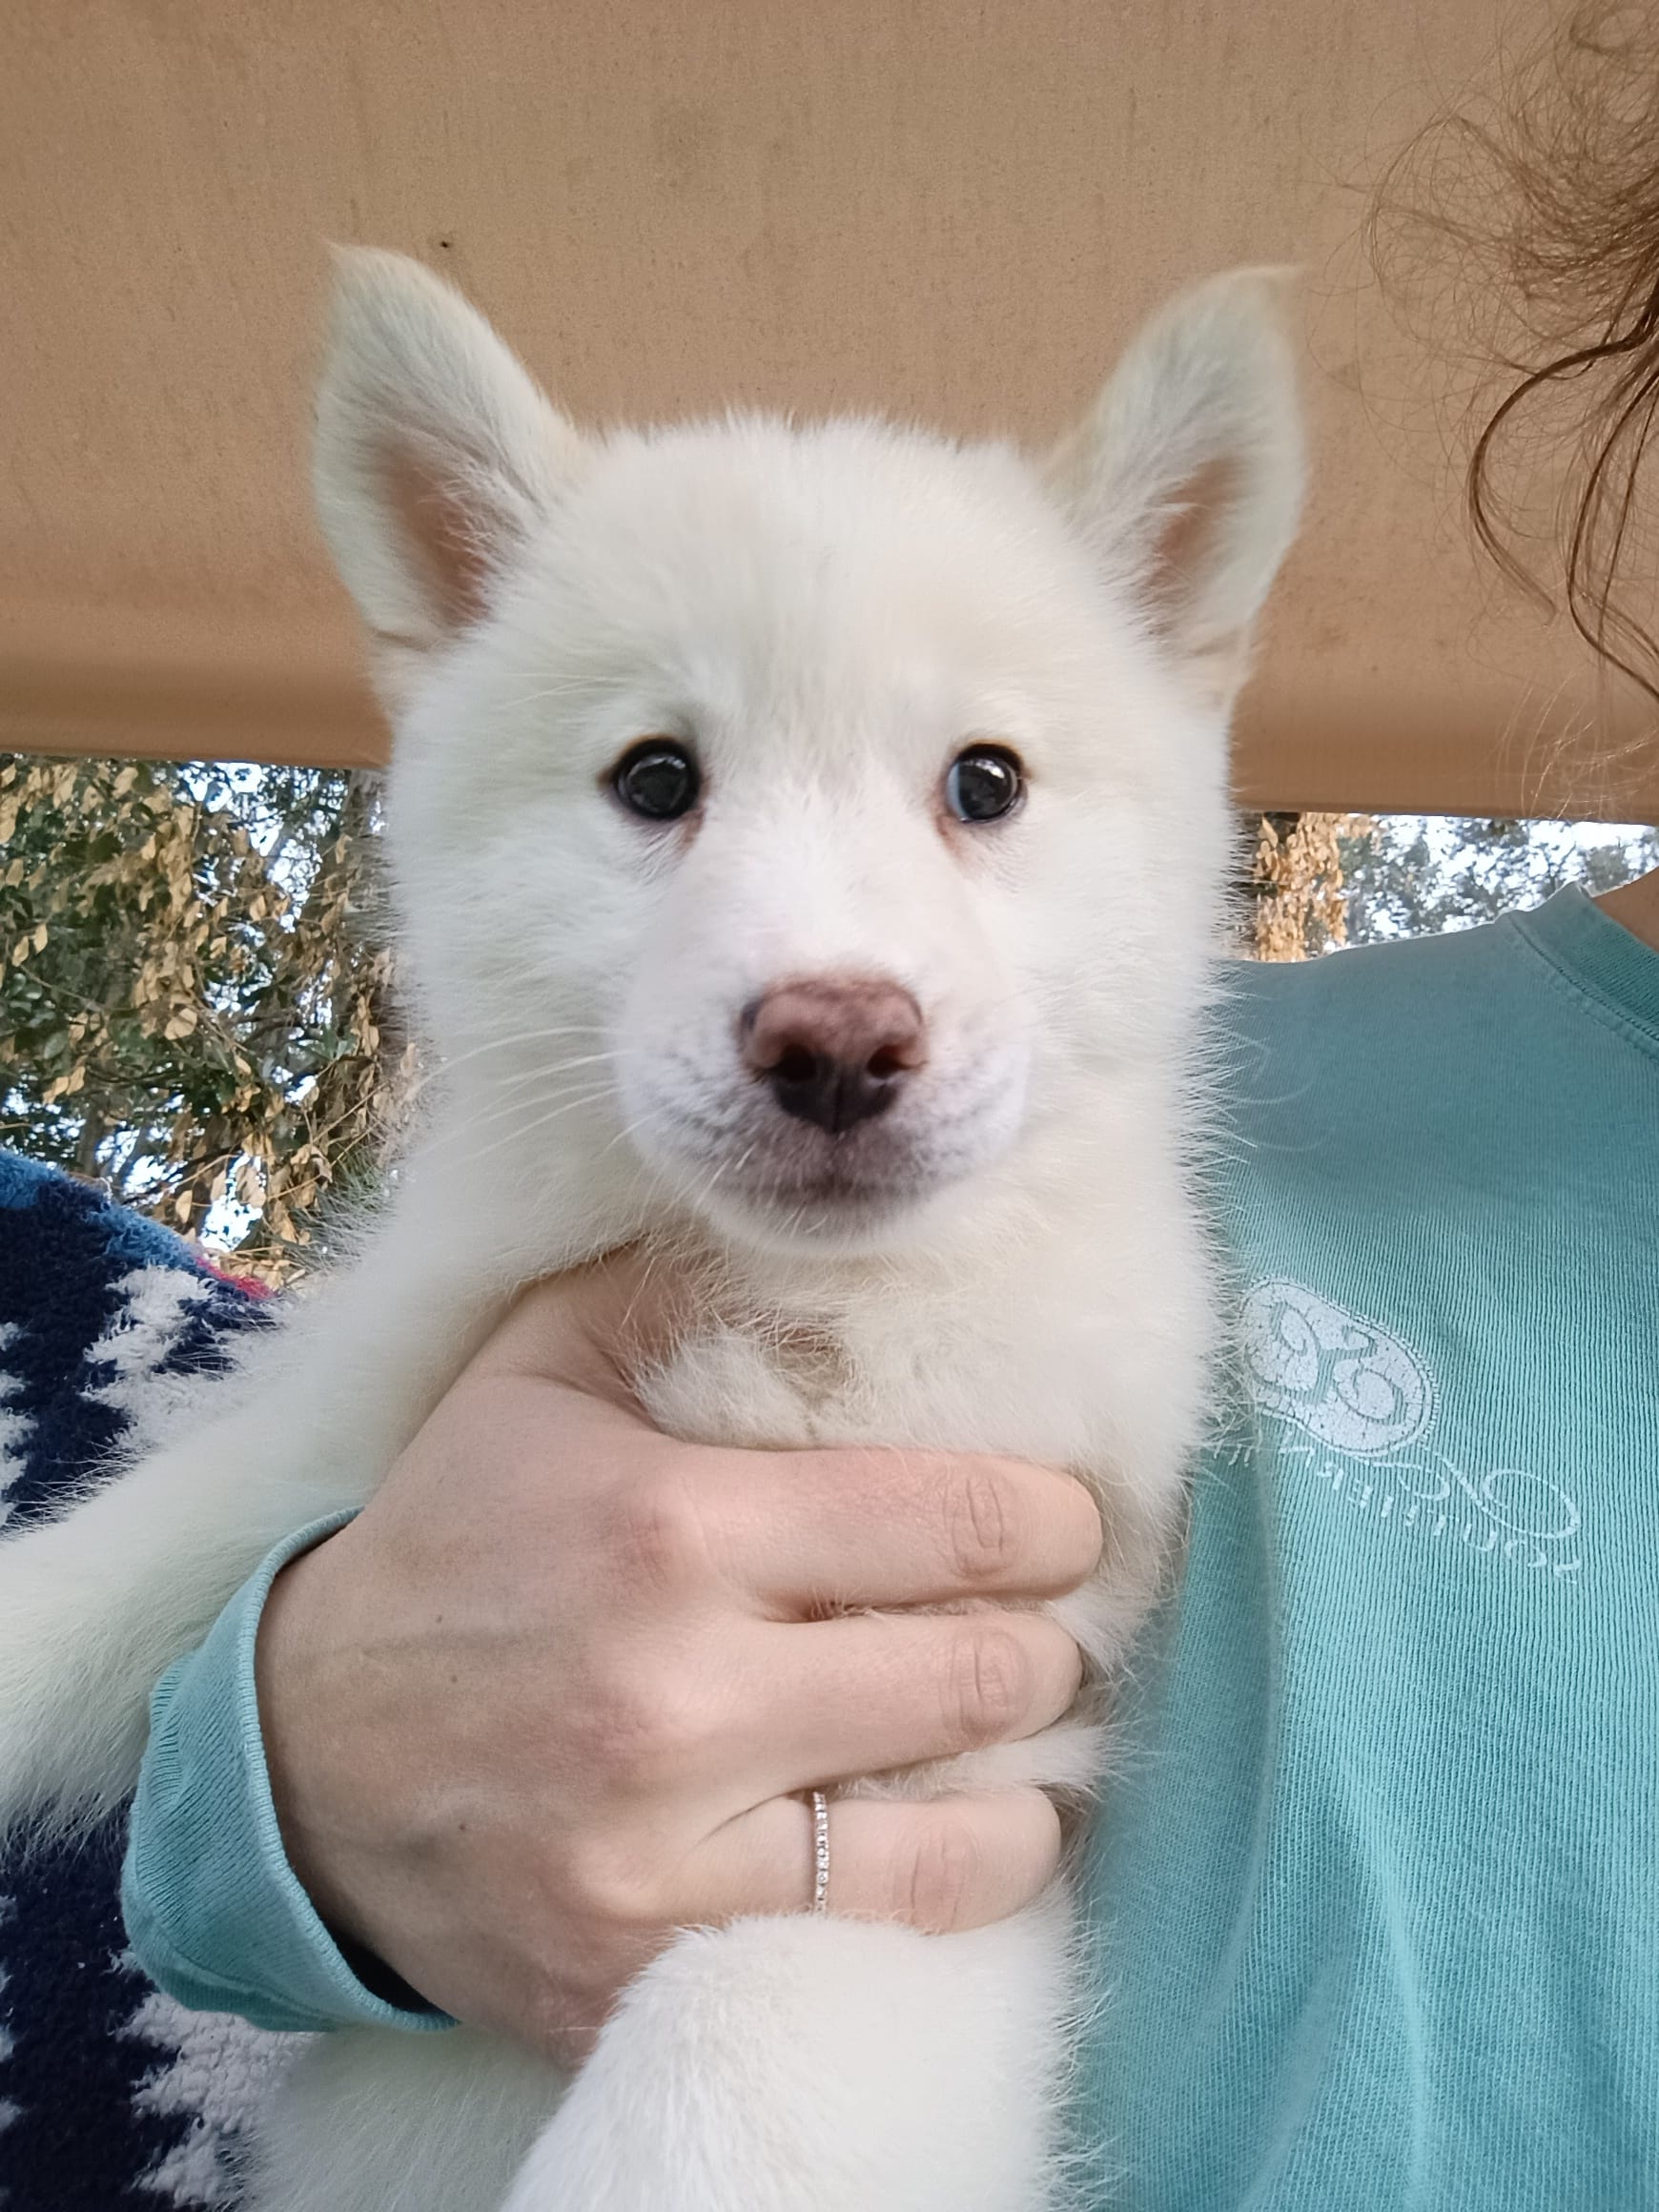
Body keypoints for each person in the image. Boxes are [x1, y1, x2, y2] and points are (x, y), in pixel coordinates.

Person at [11, 10, 1659, 2206]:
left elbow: (923, 1876)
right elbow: (238, 1570)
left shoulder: (1103, 1267)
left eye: (983, 783)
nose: (828, 980)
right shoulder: (1296, 1123)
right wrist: (300, 1757)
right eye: (657, 782)